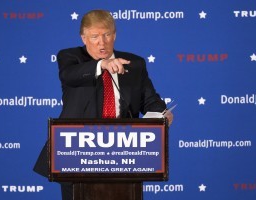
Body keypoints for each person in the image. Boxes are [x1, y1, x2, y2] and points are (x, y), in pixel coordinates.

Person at [33, 9, 173, 200]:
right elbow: (69, 75)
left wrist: (162, 115)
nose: (102, 42)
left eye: (107, 35)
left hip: (123, 156)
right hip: (76, 155)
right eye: (95, 36)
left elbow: (150, 102)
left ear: (114, 35)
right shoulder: (70, 57)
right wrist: (102, 65)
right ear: (84, 38)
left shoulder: (134, 64)